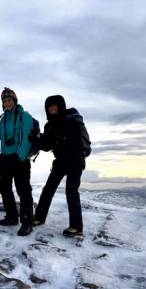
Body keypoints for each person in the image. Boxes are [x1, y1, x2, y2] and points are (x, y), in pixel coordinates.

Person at [31, 95, 91, 237]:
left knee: (71, 191)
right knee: (48, 189)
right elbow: (47, 146)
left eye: (54, 105)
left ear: (60, 106)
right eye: (49, 106)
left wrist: (58, 139)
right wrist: (37, 139)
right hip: (61, 161)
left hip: (75, 160)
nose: (52, 108)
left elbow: (76, 142)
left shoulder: (72, 121)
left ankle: (76, 227)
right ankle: (39, 218)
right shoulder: (50, 125)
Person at [0, 87, 36, 236]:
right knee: (4, 187)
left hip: (19, 158)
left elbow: (27, 137)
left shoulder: (24, 116)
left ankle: (27, 222)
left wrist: (21, 156)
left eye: (9, 100)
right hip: (5, 158)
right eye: (4, 101)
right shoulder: (4, 118)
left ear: (14, 101)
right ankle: (12, 216)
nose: (7, 103)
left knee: (23, 190)